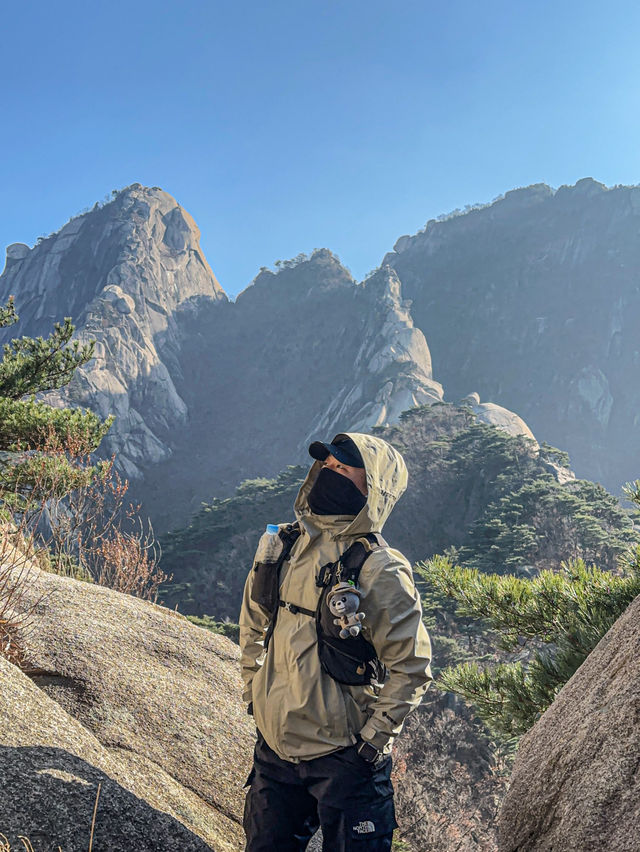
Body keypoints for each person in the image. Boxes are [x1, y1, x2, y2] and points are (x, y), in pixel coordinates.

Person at [240, 432, 432, 851]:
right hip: (275, 752)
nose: (330, 473)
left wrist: (371, 743)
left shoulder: (380, 569)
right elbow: (254, 620)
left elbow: (412, 667)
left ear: (372, 489)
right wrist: (254, 690)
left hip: (343, 758)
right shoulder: (288, 543)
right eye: (327, 466)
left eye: (344, 469)